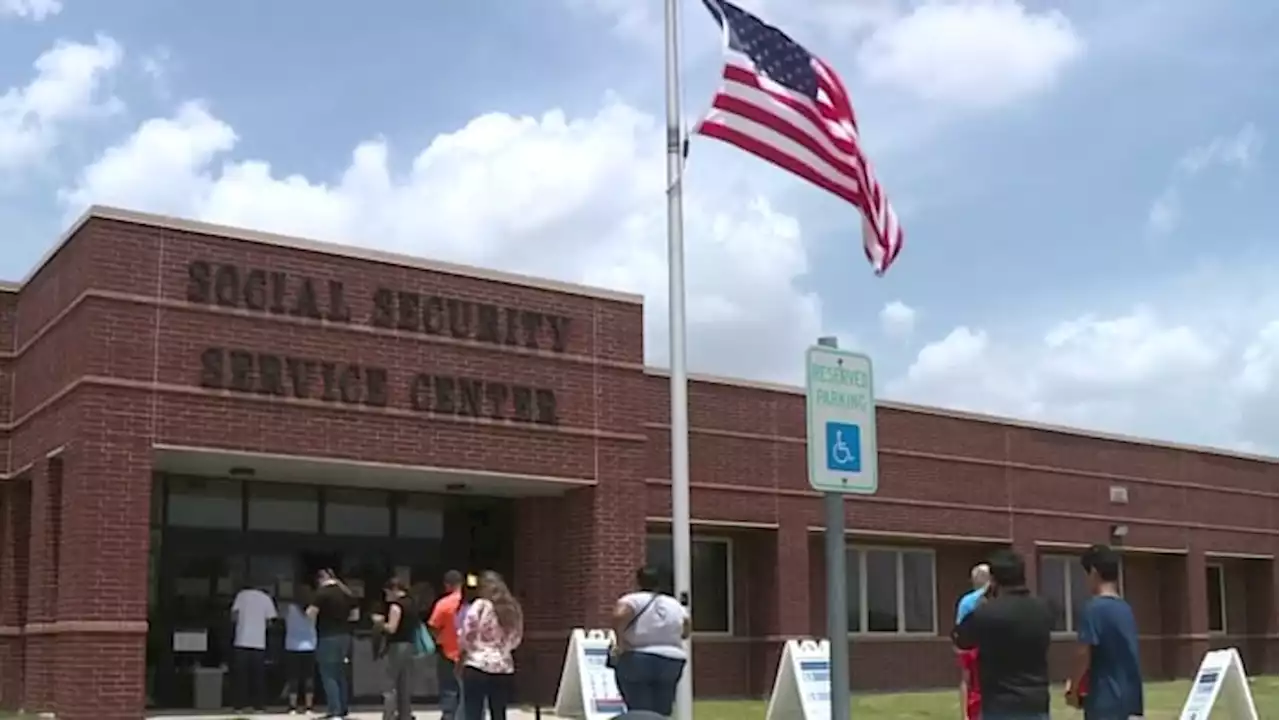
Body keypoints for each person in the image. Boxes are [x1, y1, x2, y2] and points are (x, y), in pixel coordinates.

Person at [953, 549, 1053, 720]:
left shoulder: (986, 613)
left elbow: (960, 641)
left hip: (1000, 705)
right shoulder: (1044, 609)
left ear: (993, 581)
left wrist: (984, 601)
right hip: (1036, 703)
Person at [1066, 545, 1144, 720]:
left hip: (1104, 701)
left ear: (1093, 572)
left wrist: (1073, 688)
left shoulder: (1093, 609)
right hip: (1132, 701)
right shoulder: (1126, 609)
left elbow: (1083, 653)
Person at [611, 566, 690, 717]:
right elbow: (686, 630)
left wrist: (620, 641)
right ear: (658, 583)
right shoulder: (674, 604)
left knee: (639, 706)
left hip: (638, 657)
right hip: (672, 659)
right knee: (662, 706)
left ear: (638, 582)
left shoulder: (632, 599)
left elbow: (619, 615)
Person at [459, 571, 524, 720]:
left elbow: (468, 633)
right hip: (502, 666)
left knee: (473, 712)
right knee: (499, 712)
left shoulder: (481, 606)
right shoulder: (513, 608)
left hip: (477, 664)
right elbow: (517, 638)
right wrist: (503, 649)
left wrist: (469, 650)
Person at [308, 568, 357, 720]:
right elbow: (355, 615)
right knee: (341, 673)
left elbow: (311, 612)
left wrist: (313, 626)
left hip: (327, 635)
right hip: (345, 636)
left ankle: (334, 710)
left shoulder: (322, 593)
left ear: (321, 579)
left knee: (328, 673)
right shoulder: (347, 593)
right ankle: (343, 709)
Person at [376, 577, 423, 720]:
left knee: (390, 684)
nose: (386, 596)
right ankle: (405, 714)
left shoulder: (396, 606)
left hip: (397, 646)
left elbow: (392, 628)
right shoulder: (412, 603)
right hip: (409, 645)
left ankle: (388, 715)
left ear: (395, 590)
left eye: (387, 592)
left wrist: (380, 623)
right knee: (404, 683)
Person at [230, 582, 278, 713]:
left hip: (241, 640)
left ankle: (239, 705)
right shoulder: (266, 598)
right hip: (258, 642)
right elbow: (270, 621)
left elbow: (234, 616)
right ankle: (259, 705)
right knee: (258, 676)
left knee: (241, 676)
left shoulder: (241, 595)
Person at [428, 570, 465, 720]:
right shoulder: (472, 603)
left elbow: (433, 626)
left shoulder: (443, 604)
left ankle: (449, 716)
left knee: (449, 687)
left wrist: (439, 638)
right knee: (468, 689)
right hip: (468, 652)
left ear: (447, 585)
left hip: (448, 651)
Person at [955, 564, 990, 720]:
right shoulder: (994, 597)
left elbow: (959, 628)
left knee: (966, 679)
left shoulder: (966, 601)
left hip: (970, 647)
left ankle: (965, 715)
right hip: (992, 645)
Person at [283, 589, 318, 715]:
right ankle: (309, 706)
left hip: (292, 645)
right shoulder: (313, 610)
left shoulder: (289, 609)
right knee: (309, 677)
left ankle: (292, 706)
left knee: (293, 677)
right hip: (310, 646)